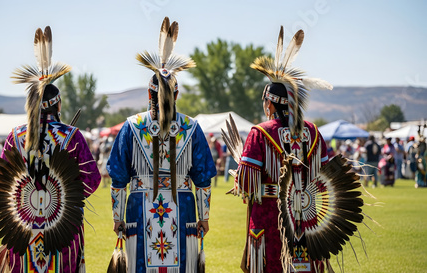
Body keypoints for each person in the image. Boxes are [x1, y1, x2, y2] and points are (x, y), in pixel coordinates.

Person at [224, 26, 365, 272]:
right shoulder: (312, 131)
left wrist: (239, 181)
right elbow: (324, 175)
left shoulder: (261, 132)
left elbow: (247, 185)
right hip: (305, 217)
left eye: (265, 101)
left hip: (270, 217)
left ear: (270, 103)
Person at [0, 26, 101, 272]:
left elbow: (3, 181)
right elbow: (92, 180)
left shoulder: (15, 136)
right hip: (63, 226)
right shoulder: (72, 136)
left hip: (22, 227)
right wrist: (65, 198)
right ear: (58, 106)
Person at [107, 17, 216, 273]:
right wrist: (204, 218)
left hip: (139, 207)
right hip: (184, 207)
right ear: (176, 94)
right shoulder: (192, 128)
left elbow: (118, 177)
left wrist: (116, 218)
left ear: (149, 94)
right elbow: (202, 178)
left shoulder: (131, 127)